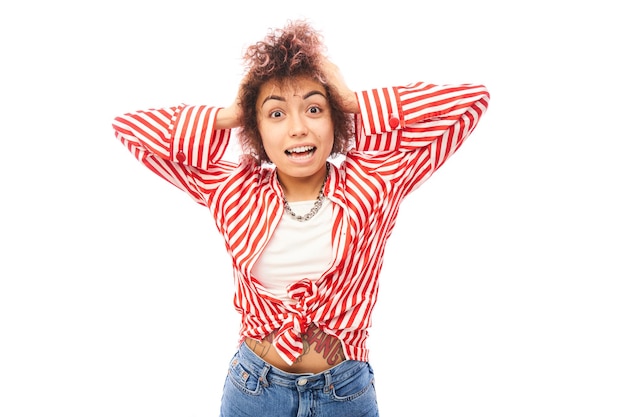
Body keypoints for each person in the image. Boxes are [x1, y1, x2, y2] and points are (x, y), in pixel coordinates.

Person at [112, 19, 490, 417]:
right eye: (275, 114)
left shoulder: (375, 181)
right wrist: (228, 115)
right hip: (254, 389)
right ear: (254, 129)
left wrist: (351, 98)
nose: (297, 128)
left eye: (314, 109)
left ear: (335, 121)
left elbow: (469, 103)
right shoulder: (233, 190)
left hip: (344, 392)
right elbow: (131, 130)